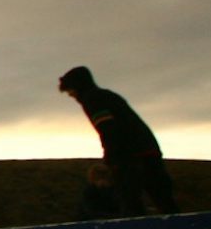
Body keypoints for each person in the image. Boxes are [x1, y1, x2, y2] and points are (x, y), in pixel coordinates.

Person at [57, 66, 178, 216]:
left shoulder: (92, 99)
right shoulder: (107, 96)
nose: (71, 95)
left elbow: (108, 130)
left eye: (70, 90)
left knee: (129, 199)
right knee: (162, 197)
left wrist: (110, 160)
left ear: (76, 87)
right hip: (149, 148)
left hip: (129, 154)